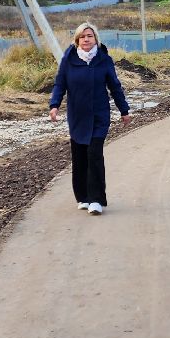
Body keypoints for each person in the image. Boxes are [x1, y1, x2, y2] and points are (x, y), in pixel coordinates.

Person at [48, 21, 131, 215]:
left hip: (99, 116)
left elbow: (115, 86)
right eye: (82, 37)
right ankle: (83, 197)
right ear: (77, 40)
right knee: (79, 156)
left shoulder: (104, 60)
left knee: (94, 154)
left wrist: (124, 110)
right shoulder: (68, 60)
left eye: (89, 36)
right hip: (77, 116)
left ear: (95, 39)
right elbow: (60, 84)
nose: (86, 39)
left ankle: (96, 200)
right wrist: (54, 105)